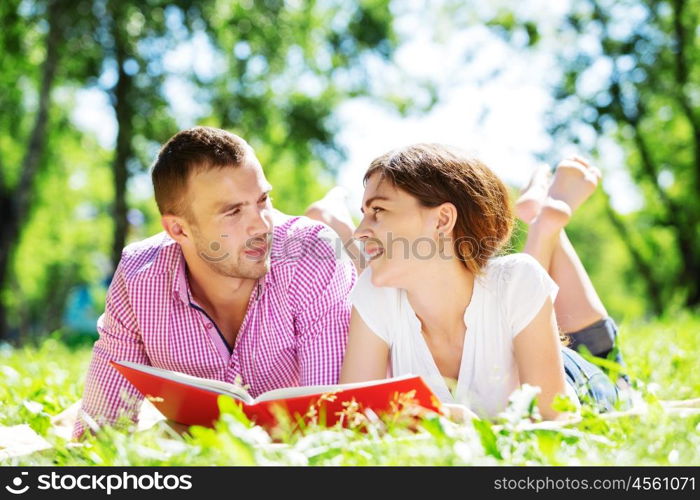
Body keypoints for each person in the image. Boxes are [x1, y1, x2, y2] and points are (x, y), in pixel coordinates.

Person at [72, 126, 356, 438]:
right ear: (178, 230)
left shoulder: (313, 254)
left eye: (263, 199)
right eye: (233, 211)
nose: (261, 225)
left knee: (347, 250)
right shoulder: (139, 277)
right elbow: (100, 427)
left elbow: (329, 421)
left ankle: (331, 214)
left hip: (336, 255)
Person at [336, 144, 628, 421]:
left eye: (378, 211)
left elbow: (553, 423)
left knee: (602, 350)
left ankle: (545, 226)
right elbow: (355, 422)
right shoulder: (374, 296)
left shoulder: (518, 280)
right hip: (526, 334)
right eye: (364, 214)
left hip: (579, 382)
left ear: (441, 220)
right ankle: (545, 222)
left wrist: (465, 426)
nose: (360, 232)